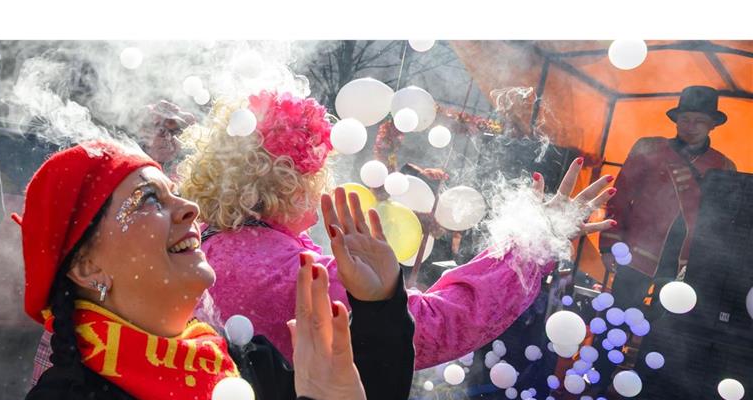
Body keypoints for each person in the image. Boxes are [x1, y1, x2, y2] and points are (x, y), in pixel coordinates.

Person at [0, 140, 413, 400]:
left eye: (175, 193)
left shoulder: (233, 361)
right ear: (87, 267)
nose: (190, 208)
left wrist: (380, 307)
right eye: (148, 200)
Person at [176, 90, 617, 371]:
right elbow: (429, 328)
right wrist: (536, 239)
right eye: (319, 174)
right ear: (290, 182)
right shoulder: (287, 269)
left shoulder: (207, 242)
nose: (325, 186)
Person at [599, 85, 737, 310]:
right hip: (636, 256)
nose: (690, 127)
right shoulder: (649, 148)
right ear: (676, 121)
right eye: (685, 119)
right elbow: (619, 198)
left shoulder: (724, 166)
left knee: (664, 334)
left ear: (712, 125)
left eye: (699, 121)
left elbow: (720, 222)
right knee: (616, 319)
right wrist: (609, 245)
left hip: (683, 266)